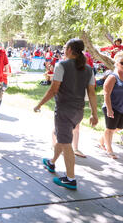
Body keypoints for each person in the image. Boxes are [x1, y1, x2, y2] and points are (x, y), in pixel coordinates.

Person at [34, 38, 98, 190]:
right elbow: (92, 93)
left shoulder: (61, 65)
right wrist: (94, 114)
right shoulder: (88, 69)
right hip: (78, 111)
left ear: (69, 50)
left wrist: (39, 104)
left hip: (64, 111)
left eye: (65, 48)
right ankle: (51, 162)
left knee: (66, 143)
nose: (63, 50)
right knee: (62, 137)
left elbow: (53, 89)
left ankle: (70, 179)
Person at [98, 51, 123, 159]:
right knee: (110, 129)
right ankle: (109, 149)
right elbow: (106, 94)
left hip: (121, 107)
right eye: (122, 63)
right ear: (117, 63)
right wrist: (109, 109)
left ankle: (101, 140)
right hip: (112, 107)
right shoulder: (113, 77)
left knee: (118, 128)